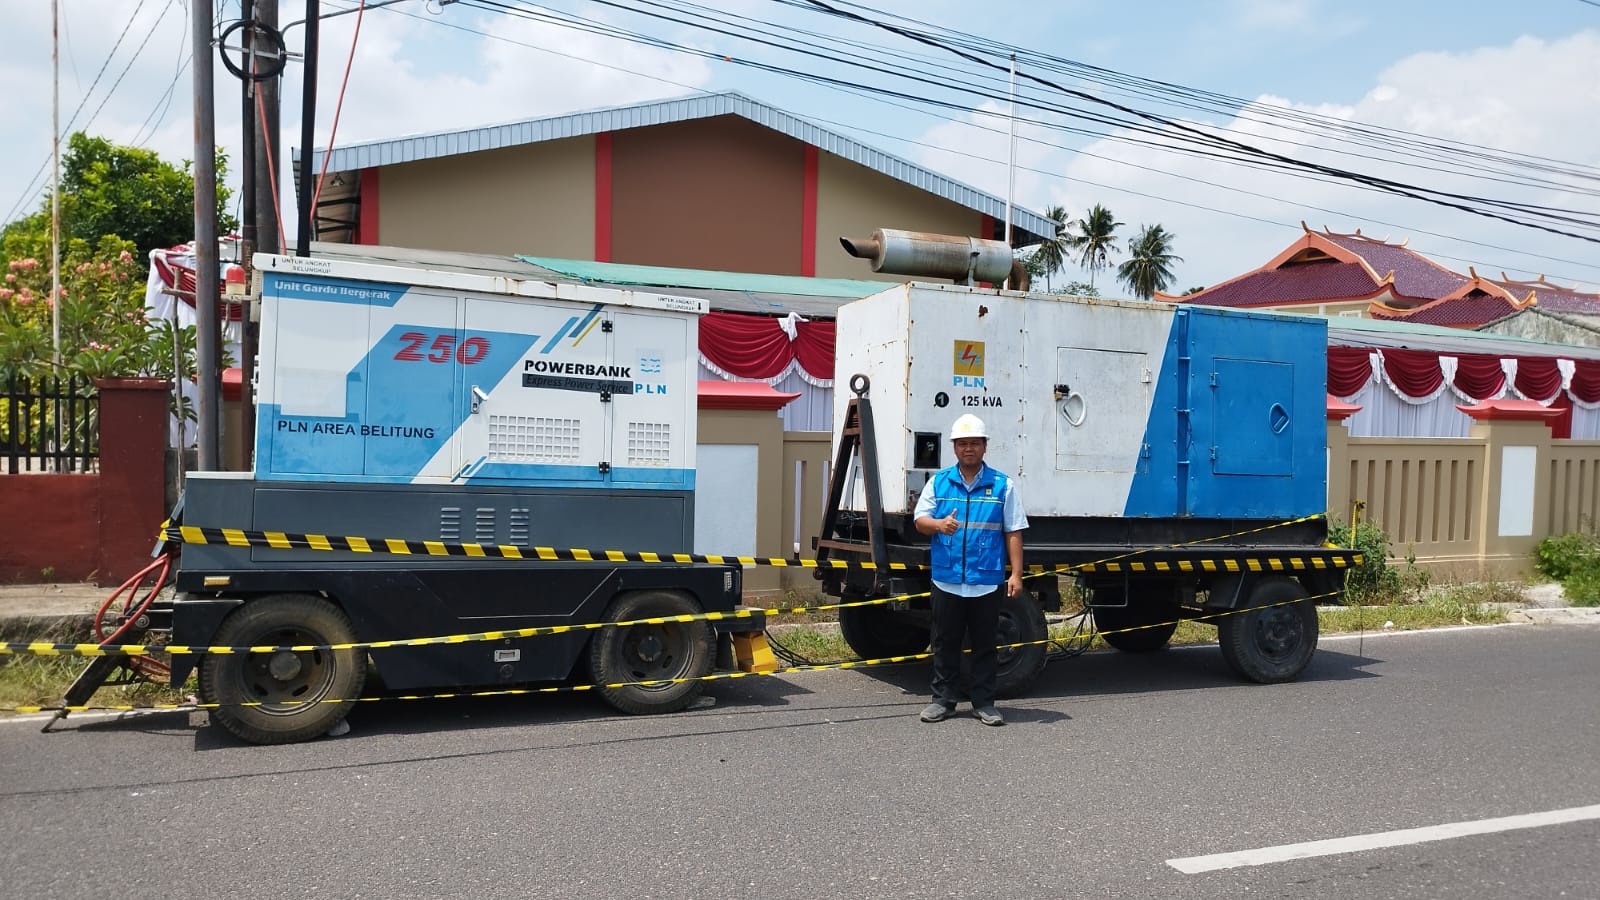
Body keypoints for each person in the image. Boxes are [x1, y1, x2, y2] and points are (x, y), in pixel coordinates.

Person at [912, 413, 1027, 726]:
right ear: (954, 448)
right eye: (962, 443)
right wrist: (939, 524)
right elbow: (920, 520)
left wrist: (1015, 574)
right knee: (944, 643)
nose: (968, 448)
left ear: (985, 446)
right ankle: (943, 701)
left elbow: (1014, 531)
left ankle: (984, 703)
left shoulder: (1003, 485)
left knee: (985, 644)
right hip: (947, 578)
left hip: (985, 580)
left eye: (974, 442)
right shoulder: (938, 482)